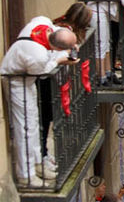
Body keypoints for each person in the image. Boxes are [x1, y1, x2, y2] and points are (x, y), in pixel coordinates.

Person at [1, 25, 78, 187]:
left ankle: (37, 164)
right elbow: (42, 72)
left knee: (34, 125)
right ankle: (26, 176)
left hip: (26, 83)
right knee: (26, 129)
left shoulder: (43, 29)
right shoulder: (38, 55)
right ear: (57, 47)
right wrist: (58, 60)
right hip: (17, 85)